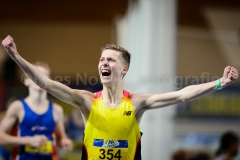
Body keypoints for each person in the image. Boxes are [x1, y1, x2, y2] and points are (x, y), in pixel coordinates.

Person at [2, 35, 239, 160]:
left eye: (111, 60)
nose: (104, 63)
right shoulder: (86, 101)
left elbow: (181, 95)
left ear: (123, 69)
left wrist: (219, 82)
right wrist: (15, 55)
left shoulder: (136, 102)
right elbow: (45, 82)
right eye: (101, 60)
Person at [0, 61, 73, 160]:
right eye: (35, 74)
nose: (39, 79)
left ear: (49, 82)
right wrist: (28, 140)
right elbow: (1, 138)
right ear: (26, 80)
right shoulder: (18, 107)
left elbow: (61, 138)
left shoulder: (57, 110)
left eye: (43, 76)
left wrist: (65, 142)